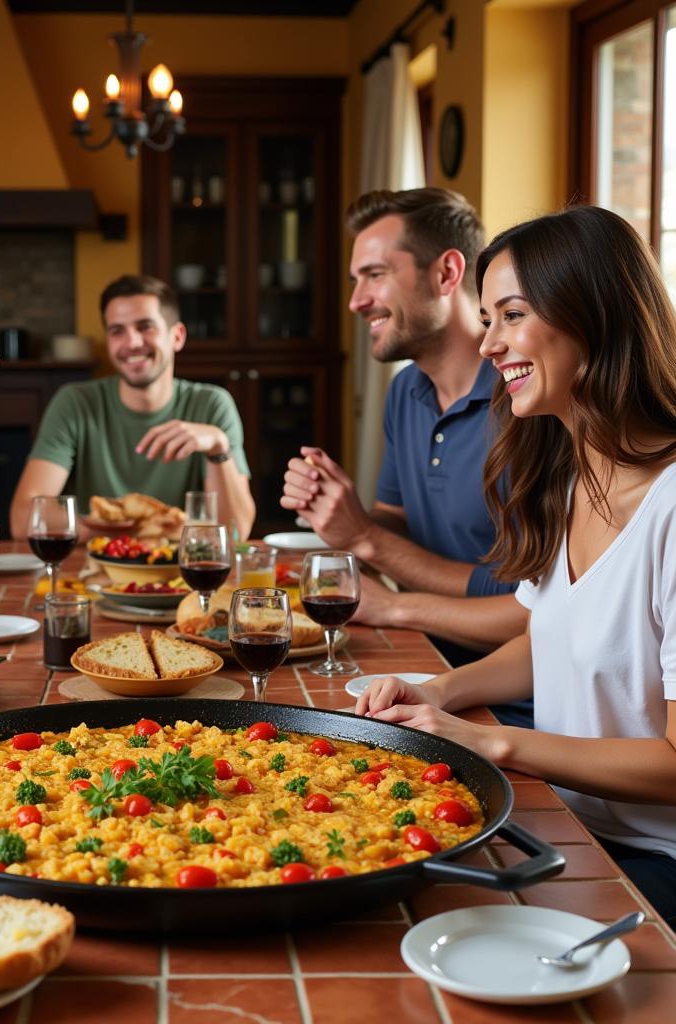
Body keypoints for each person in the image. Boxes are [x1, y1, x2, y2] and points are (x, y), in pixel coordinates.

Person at [357, 205, 676, 927]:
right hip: (566, 825)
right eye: (487, 317)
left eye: (511, 315)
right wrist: (436, 691)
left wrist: (494, 740)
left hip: (650, 866)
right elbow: (545, 638)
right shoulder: (570, 478)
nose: (492, 344)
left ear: (592, 314)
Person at [280, 189, 530, 720]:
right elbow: (397, 530)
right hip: (423, 667)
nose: (356, 300)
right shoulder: (405, 392)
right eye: (356, 279)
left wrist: (369, 550)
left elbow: (532, 605)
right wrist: (344, 517)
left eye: (374, 274)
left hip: (513, 700)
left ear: (445, 273)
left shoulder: (528, 403)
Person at [9, 274, 255, 541]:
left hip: (179, 574)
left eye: (145, 326)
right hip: (99, 573)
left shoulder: (212, 405)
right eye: (117, 331)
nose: (132, 343)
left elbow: (235, 532)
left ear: (177, 336)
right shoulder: (75, 403)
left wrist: (218, 446)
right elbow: (24, 520)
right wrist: (137, 528)